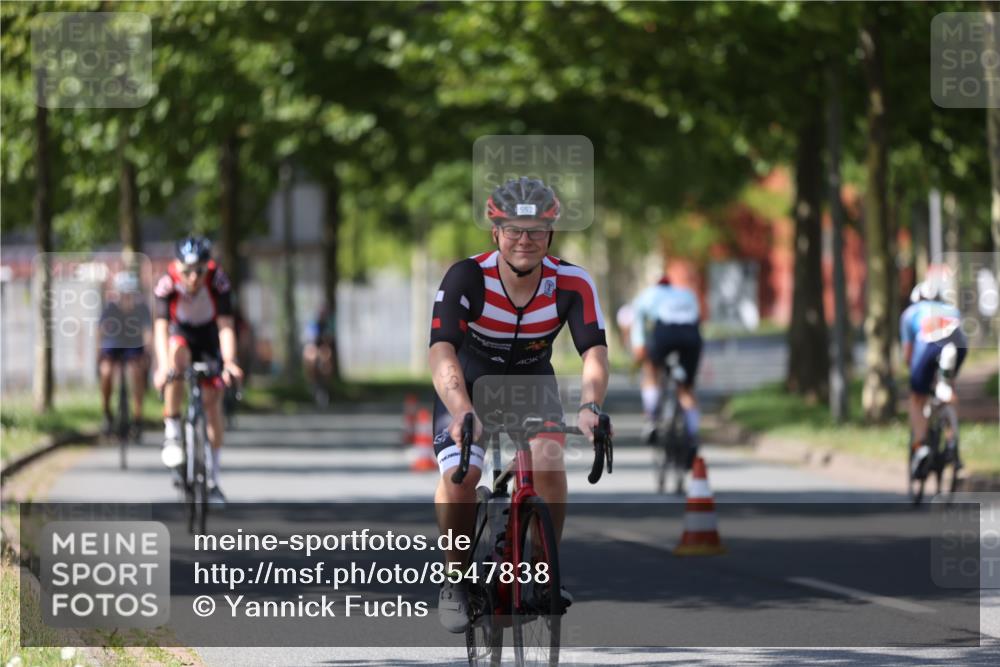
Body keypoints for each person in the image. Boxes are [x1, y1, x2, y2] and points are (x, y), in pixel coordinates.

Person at [428, 176, 610, 633]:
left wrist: (590, 406)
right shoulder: (468, 276)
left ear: (551, 234)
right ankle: (456, 580)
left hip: (532, 383)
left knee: (549, 460)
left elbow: (594, 353)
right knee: (463, 473)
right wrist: (460, 409)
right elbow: (441, 350)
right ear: (496, 233)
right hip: (468, 385)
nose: (524, 240)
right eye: (513, 230)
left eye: (535, 231)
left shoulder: (571, 282)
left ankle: (544, 571)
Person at [153, 236, 243, 505]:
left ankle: (213, 480)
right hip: (181, 333)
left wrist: (230, 362)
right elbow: (160, 327)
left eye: (199, 271)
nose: (193, 278)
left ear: (208, 267)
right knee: (175, 360)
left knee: (212, 403)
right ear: (177, 266)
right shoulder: (166, 283)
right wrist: (162, 367)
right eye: (186, 272)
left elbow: (226, 325)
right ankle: (172, 433)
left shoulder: (219, 281)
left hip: (209, 335)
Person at [629, 267, 703, 463]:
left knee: (651, 371)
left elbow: (638, 326)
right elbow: (697, 318)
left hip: (665, 332)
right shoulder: (686, 294)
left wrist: (639, 349)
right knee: (686, 388)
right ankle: (692, 436)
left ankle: (652, 420)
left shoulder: (647, 295)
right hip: (691, 335)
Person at [900, 277, 968, 475]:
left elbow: (908, 355)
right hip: (958, 344)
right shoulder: (952, 310)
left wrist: (918, 381)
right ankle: (952, 443)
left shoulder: (909, 314)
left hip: (928, 345)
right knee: (947, 388)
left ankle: (920, 446)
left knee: (916, 399)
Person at [97, 271, 152, 438]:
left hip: (134, 345)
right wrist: (99, 352)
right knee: (106, 372)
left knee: (137, 372)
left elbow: (148, 331)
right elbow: (100, 330)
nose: (126, 297)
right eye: (123, 293)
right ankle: (106, 412)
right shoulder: (110, 308)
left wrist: (148, 352)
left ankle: (137, 417)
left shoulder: (142, 308)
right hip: (113, 344)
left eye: (130, 293)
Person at [302, 303, 336, 406]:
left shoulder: (328, 324)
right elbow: (309, 339)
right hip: (313, 346)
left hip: (323, 348)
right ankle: (312, 383)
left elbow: (329, 340)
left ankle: (325, 386)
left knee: (327, 358)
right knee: (310, 356)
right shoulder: (313, 324)